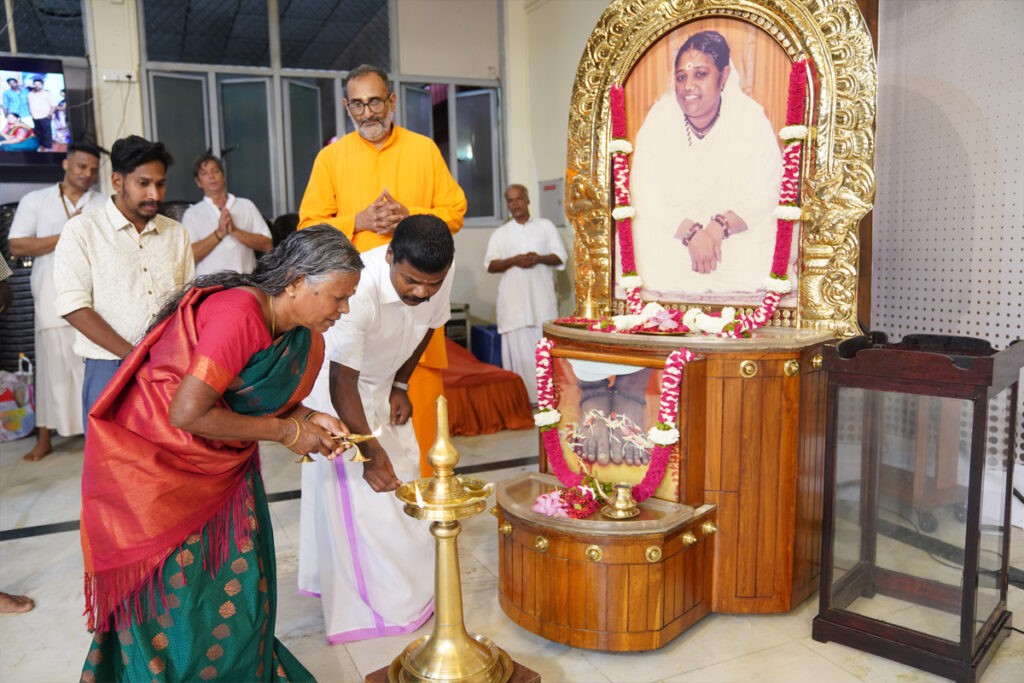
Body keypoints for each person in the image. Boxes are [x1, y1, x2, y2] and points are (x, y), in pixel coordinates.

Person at [78, 225, 362, 682]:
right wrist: (289, 432)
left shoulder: (299, 332)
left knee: (243, 588)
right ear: (294, 282)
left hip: (224, 466)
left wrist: (307, 417)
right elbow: (186, 412)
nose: (344, 308)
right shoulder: (239, 313)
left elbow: (250, 392)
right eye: (337, 296)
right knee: (176, 601)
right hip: (158, 465)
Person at [298, 63, 467, 475]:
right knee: (349, 403)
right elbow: (307, 227)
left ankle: (423, 523)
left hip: (415, 307)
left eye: (375, 101)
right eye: (357, 104)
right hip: (354, 304)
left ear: (391, 101)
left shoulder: (422, 149)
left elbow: (455, 212)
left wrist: (412, 217)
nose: (367, 112)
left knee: (419, 429)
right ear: (346, 106)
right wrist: (358, 221)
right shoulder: (331, 157)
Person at [298, 214, 455, 644]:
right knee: (364, 499)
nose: (421, 292)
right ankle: (371, 605)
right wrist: (368, 451)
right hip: (340, 394)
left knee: (405, 484)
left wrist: (401, 383)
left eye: (432, 284)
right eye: (410, 282)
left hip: (384, 383)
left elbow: (429, 324)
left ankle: (411, 592)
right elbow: (340, 380)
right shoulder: (358, 291)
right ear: (389, 257)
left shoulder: (438, 269)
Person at [54, 135, 195, 431]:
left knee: (166, 463)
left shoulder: (176, 233)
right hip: (109, 368)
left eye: (160, 184)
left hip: (168, 367)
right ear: (117, 181)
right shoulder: (82, 231)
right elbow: (74, 306)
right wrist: (135, 356)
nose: (154, 194)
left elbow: (187, 303)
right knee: (112, 466)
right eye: (143, 183)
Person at [630, 30, 785, 297]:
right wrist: (690, 233)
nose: (688, 85)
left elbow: (769, 190)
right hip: (674, 248)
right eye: (681, 76)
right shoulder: (659, 119)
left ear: (723, 77)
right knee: (648, 242)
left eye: (700, 74)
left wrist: (718, 228)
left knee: (762, 243)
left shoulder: (750, 118)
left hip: (735, 246)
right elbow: (644, 192)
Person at [8, 141, 105, 461]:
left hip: (95, 297)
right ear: (66, 164)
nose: (87, 174)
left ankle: (100, 435)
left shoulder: (104, 203)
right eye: (81, 166)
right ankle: (45, 437)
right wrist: (67, 232)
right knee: (50, 367)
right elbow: (18, 245)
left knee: (94, 367)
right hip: (50, 295)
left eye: (93, 169)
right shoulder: (36, 200)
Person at [484, 184, 566, 403]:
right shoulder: (501, 233)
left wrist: (538, 258)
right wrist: (514, 261)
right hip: (515, 308)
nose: (515, 204)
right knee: (519, 359)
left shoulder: (545, 226)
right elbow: (490, 265)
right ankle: (523, 404)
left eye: (519, 199)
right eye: (510, 201)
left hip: (541, 305)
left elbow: (560, 258)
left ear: (528, 200)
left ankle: (548, 402)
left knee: (544, 354)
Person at [182, 152, 273, 276]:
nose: (211, 177)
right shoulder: (191, 214)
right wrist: (219, 233)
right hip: (208, 288)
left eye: (215, 171)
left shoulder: (246, 205)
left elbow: (267, 244)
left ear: (223, 176)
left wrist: (235, 231)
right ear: (198, 182)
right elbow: (189, 257)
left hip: (246, 283)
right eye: (204, 174)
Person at [26, 78, 55, 151]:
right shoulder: (30, 94)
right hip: (34, 116)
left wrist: (50, 114)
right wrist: (31, 114)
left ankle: (48, 147)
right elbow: (29, 104)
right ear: (33, 85)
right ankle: (40, 145)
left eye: (39, 84)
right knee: (38, 133)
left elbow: (53, 105)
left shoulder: (47, 93)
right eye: (35, 84)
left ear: (42, 85)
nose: (37, 86)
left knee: (46, 132)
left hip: (45, 116)